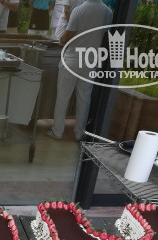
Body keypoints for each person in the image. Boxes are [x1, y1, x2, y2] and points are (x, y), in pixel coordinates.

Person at [47, 0, 113, 140]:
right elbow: (104, 35)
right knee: (84, 98)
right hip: (91, 60)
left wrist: (61, 39)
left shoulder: (79, 11)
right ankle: (79, 133)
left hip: (72, 59)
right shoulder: (108, 12)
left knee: (63, 97)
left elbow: (67, 37)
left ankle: (57, 131)